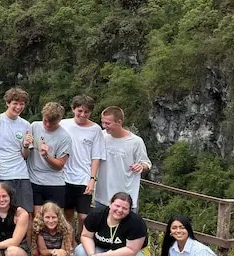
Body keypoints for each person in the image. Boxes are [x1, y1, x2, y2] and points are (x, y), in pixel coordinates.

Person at [59, 95, 106, 236]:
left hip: (84, 177)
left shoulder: (95, 129)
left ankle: (82, 238)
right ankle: (70, 240)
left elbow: (96, 156)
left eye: (86, 112)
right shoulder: (63, 124)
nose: (83, 115)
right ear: (73, 109)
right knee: (67, 212)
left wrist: (92, 179)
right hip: (64, 176)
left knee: (83, 216)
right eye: (80, 111)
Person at [0, 88, 33, 214]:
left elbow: (25, 155)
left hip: (22, 175)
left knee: (26, 213)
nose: (18, 107)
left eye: (22, 104)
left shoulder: (26, 125)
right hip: (2, 175)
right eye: (15, 103)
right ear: (7, 103)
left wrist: (26, 146)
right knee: (3, 213)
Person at [94, 106, 151, 214]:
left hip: (126, 198)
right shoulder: (101, 136)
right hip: (102, 197)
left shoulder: (136, 141)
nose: (104, 126)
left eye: (108, 123)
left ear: (119, 122)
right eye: (103, 122)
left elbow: (146, 163)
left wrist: (141, 166)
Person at [27, 102, 72, 214]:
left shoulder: (65, 137)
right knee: (36, 217)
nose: (47, 125)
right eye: (45, 121)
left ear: (59, 120)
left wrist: (46, 156)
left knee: (53, 218)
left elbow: (60, 165)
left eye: (52, 123)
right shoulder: (34, 126)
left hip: (54, 183)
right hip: (34, 180)